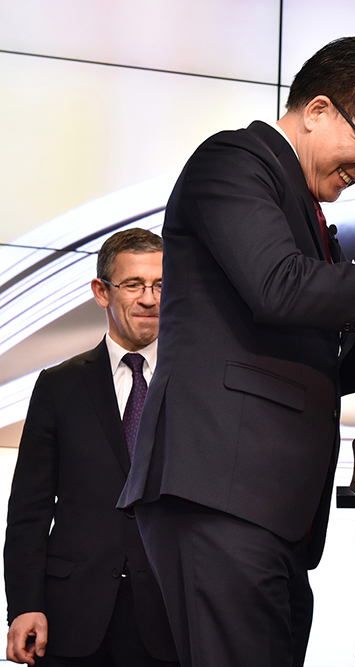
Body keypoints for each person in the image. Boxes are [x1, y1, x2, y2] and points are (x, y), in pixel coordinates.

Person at [116, 37, 355, 667]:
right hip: (219, 493)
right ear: (317, 110)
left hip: (268, 508)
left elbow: (298, 351)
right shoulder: (234, 160)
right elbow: (279, 287)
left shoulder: (305, 208)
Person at [5, 229, 177, 667]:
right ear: (102, 292)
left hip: (172, 615)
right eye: (134, 284)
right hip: (72, 615)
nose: (149, 299)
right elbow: (29, 507)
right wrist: (24, 604)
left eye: (160, 285)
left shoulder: (197, 385)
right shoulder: (59, 385)